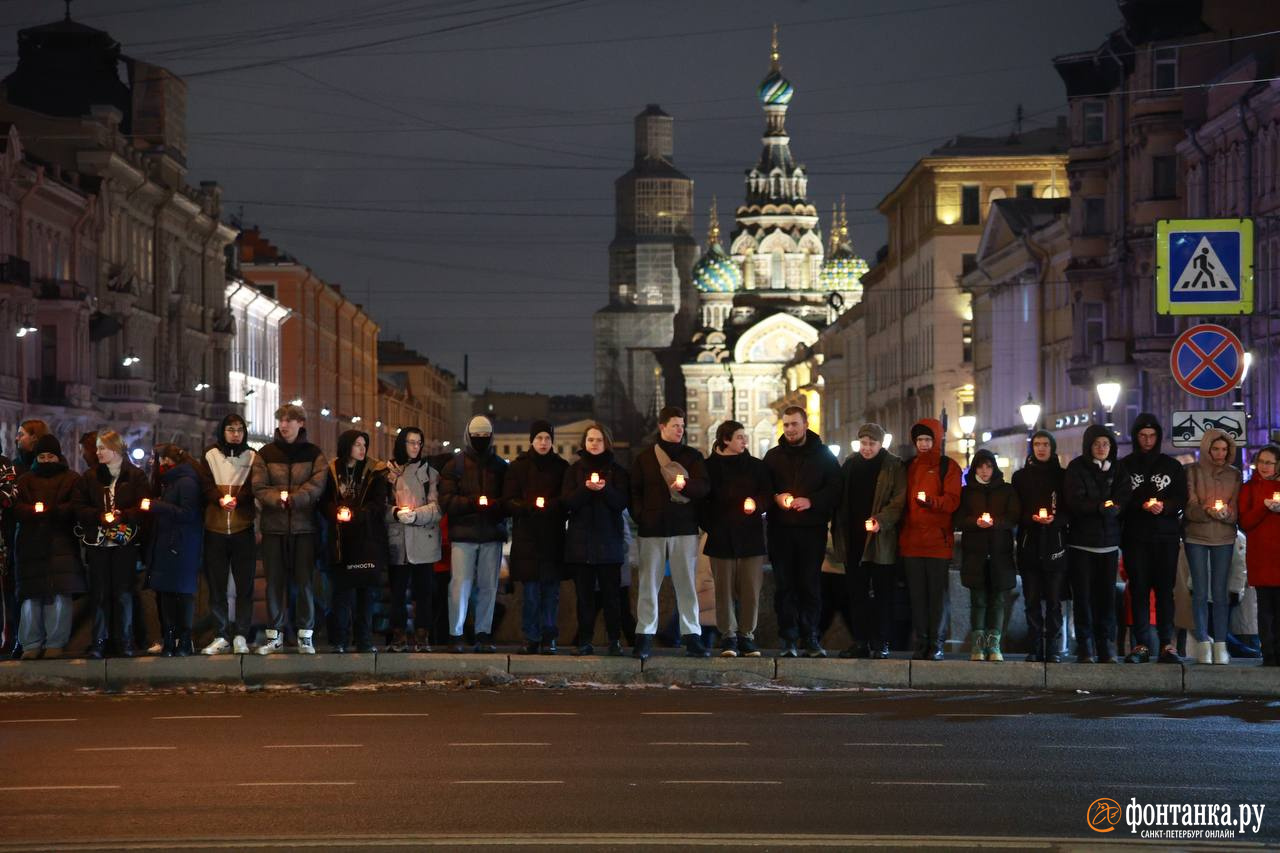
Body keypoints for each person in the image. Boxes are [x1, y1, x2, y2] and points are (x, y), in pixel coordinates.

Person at [630, 406, 711, 660]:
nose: (680, 430)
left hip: (684, 529)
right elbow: (634, 493)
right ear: (662, 427)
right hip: (651, 529)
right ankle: (644, 636)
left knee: (687, 585)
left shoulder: (693, 456)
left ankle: (691, 636)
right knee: (648, 585)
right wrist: (642, 516)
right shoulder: (644, 458)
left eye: (682, 426)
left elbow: (704, 488)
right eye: (675, 425)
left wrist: (685, 485)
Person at [763, 406, 842, 659]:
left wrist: (811, 501)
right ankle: (788, 638)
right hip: (780, 530)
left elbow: (836, 488)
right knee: (784, 586)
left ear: (805, 425)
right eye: (786, 425)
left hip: (811, 530)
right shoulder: (773, 457)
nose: (790, 429)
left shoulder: (824, 456)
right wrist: (776, 497)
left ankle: (811, 637)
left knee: (810, 584)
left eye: (794, 424)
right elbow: (763, 488)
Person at [252, 403, 329, 654]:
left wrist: (295, 498)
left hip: (304, 528)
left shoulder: (313, 453)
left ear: (300, 423)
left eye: (289, 420)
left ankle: (305, 635)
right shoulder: (265, 453)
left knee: (305, 582)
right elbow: (259, 486)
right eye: (281, 420)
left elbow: (318, 484)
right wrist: (277, 499)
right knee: (274, 583)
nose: (284, 425)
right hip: (274, 528)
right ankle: (274, 636)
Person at [832, 423, 906, 660]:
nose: (866, 448)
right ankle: (861, 641)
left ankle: (881, 642)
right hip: (853, 540)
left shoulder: (893, 465)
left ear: (881, 444)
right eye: (863, 443)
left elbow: (898, 501)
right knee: (857, 594)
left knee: (883, 594)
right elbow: (840, 496)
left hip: (881, 541)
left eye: (871, 444)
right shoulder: (851, 464)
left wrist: (881, 520)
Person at [73, 430, 150, 658]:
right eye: (97, 448)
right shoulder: (90, 477)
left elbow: (144, 506)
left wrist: (123, 515)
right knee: (99, 594)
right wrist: (98, 516)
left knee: (123, 593)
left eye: (102, 448)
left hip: (124, 543)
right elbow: (78, 507)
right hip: (97, 543)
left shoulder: (134, 476)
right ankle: (99, 642)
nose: (97, 453)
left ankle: (125, 641)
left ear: (115, 449)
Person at [1119, 413, 1187, 665]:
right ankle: (1142, 644)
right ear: (1136, 437)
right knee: (1138, 591)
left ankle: (1166, 644)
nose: (1147, 440)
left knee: (1164, 592)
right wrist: (1142, 505)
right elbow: (1120, 498)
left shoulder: (1172, 466)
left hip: (1166, 537)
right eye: (1143, 436)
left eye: (1152, 436)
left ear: (1158, 437)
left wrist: (1166, 506)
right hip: (1136, 537)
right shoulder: (1125, 466)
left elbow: (1181, 497)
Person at [439, 415, 509, 654]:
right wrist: (472, 503)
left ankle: (483, 633)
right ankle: (455, 633)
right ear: (469, 436)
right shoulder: (455, 465)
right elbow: (446, 501)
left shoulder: (500, 466)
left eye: (484, 436)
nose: (481, 439)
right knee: (460, 585)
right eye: (477, 435)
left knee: (489, 586)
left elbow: (508, 501)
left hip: (490, 533)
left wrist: (492, 505)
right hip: (464, 535)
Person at [702, 420, 773, 658]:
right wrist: (711, 525)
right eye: (740, 437)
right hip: (721, 537)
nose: (745, 441)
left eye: (744, 437)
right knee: (723, 591)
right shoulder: (708, 467)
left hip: (750, 536)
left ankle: (747, 636)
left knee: (751, 589)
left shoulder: (755, 466)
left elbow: (767, 494)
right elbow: (701, 502)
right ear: (726, 440)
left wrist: (757, 505)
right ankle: (728, 637)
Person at [1063, 424, 1131, 663]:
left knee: (1107, 597)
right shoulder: (1076, 468)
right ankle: (1085, 645)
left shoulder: (1119, 469)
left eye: (1106, 444)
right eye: (1097, 444)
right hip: (1082, 544)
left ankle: (1106, 645)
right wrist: (1100, 507)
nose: (1102, 448)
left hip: (1109, 543)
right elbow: (1074, 500)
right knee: (1083, 597)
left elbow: (1124, 496)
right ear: (1089, 446)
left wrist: (1114, 508)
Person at [11, 434, 83, 659]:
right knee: (32, 598)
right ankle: (31, 644)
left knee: (59, 596)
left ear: (58, 456)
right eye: (41, 456)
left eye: (49, 456)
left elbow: (76, 507)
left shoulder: (71, 479)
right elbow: (16, 508)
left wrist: (55, 511)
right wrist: (33, 512)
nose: (45, 460)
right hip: (31, 546)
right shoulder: (25, 480)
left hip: (61, 545)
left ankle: (55, 642)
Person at [502, 420, 569, 655]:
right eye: (539, 438)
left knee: (551, 593)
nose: (543, 442)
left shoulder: (561, 467)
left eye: (548, 439)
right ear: (532, 440)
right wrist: (528, 506)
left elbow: (566, 500)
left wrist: (551, 506)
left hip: (552, 539)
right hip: (527, 538)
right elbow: (508, 500)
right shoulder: (519, 467)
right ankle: (530, 637)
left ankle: (549, 637)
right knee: (530, 594)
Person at [562, 423, 630, 656]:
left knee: (613, 597)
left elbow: (621, 502)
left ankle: (614, 640)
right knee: (584, 599)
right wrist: (586, 489)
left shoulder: (617, 471)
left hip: (609, 543)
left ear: (606, 443)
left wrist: (603, 490)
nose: (594, 444)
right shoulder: (574, 471)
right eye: (590, 440)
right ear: (584, 443)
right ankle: (585, 641)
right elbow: (568, 502)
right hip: (581, 545)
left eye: (598, 440)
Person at [899, 418, 962, 661]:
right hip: (912, 542)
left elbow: (952, 501)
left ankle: (936, 642)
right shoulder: (908, 466)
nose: (923, 444)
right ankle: (921, 641)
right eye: (919, 440)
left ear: (936, 440)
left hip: (937, 542)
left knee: (937, 596)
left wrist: (931, 502)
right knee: (917, 596)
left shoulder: (948, 466)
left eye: (927, 439)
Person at [322, 430, 390, 654]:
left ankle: (364, 640)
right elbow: (324, 503)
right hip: (341, 542)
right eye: (357, 445)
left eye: (364, 444)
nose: (362, 449)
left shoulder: (375, 471)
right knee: (341, 593)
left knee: (365, 594)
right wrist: (336, 513)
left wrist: (356, 514)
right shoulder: (332, 470)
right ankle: (339, 640)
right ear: (346, 446)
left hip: (367, 541)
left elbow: (378, 505)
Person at [197, 414, 258, 655]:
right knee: (216, 585)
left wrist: (239, 500)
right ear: (222, 431)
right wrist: (219, 499)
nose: (235, 434)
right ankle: (221, 634)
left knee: (245, 585)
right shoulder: (210, 454)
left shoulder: (252, 456)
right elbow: (205, 484)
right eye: (231, 429)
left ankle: (241, 634)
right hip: (215, 529)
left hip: (243, 528)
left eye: (240, 429)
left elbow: (254, 486)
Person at [1183, 427, 1242, 665]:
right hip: (1196, 535)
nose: (1220, 453)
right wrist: (1205, 511)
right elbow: (1189, 505)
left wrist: (1227, 514)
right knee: (1199, 591)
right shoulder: (1193, 472)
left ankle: (1220, 644)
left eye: (1224, 449)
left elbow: (1236, 507)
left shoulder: (1235, 474)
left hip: (1224, 536)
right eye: (1215, 449)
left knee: (1220, 592)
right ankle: (1203, 644)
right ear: (1207, 449)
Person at [954, 449, 1020, 662]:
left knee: (998, 600)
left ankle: (994, 646)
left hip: (1000, 555)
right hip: (975, 555)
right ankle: (977, 647)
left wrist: (996, 523)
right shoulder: (967, 492)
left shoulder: (1007, 490)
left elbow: (1013, 517)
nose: (984, 471)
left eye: (988, 466)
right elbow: (958, 519)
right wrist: (975, 522)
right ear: (975, 468)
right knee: (978, 600)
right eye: (981, 466)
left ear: (994, 468)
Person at [1011, 430, 1069, 662]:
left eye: (1045, 444)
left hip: (1055, 544)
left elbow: (1069, 509)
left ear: (1052, 448)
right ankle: (1035, 646)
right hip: (1030, 543)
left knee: (1054, 601)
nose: (1041, 448)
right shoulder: (1021, 477)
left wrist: (1056, 520)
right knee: (1032, 599)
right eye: (1037, 444)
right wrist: (1030, 519)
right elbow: (1015, 509)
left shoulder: (1063, 476)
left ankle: (1053, 648)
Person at [385, 427, 441, 652]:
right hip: (398, 541)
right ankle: (398, 637)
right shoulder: (388, 473)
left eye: (418, 443)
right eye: (411, 442)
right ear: (401, 444)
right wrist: (395, 513)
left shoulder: (430, 473)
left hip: (423, 540)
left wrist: (417, 515)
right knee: (397, 592)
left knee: (424, 593)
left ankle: (422, 637)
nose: (415, 447)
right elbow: (380, 506)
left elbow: (437, 507)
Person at [147, 445, 204, 656]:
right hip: (169, 544)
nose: (154, 464)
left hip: (180, 545)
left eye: (156, 460)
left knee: (181, 593)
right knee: (168, 593)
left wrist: (157, 506)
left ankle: (183, 640)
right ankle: (170, 639)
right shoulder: (172, 481)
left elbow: (188, 513)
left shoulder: (186, 482)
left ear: (167, 461)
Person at [2, 419, 46, 657]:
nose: (17, 438)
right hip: (14, 537)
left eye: (22, 434)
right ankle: (15, 639)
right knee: (15, 593)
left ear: (34, 437)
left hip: (40, 539)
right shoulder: (14, 467)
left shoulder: (42, 467)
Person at [1238, 445, 1280, 667]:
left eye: (1269, 462)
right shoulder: (1249, 489)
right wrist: (1264, 507)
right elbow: (1245, 522)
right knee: (1265, 610)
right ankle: (1269, 654)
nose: (1264, 466)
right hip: (1261, 557)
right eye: (1261, 462)